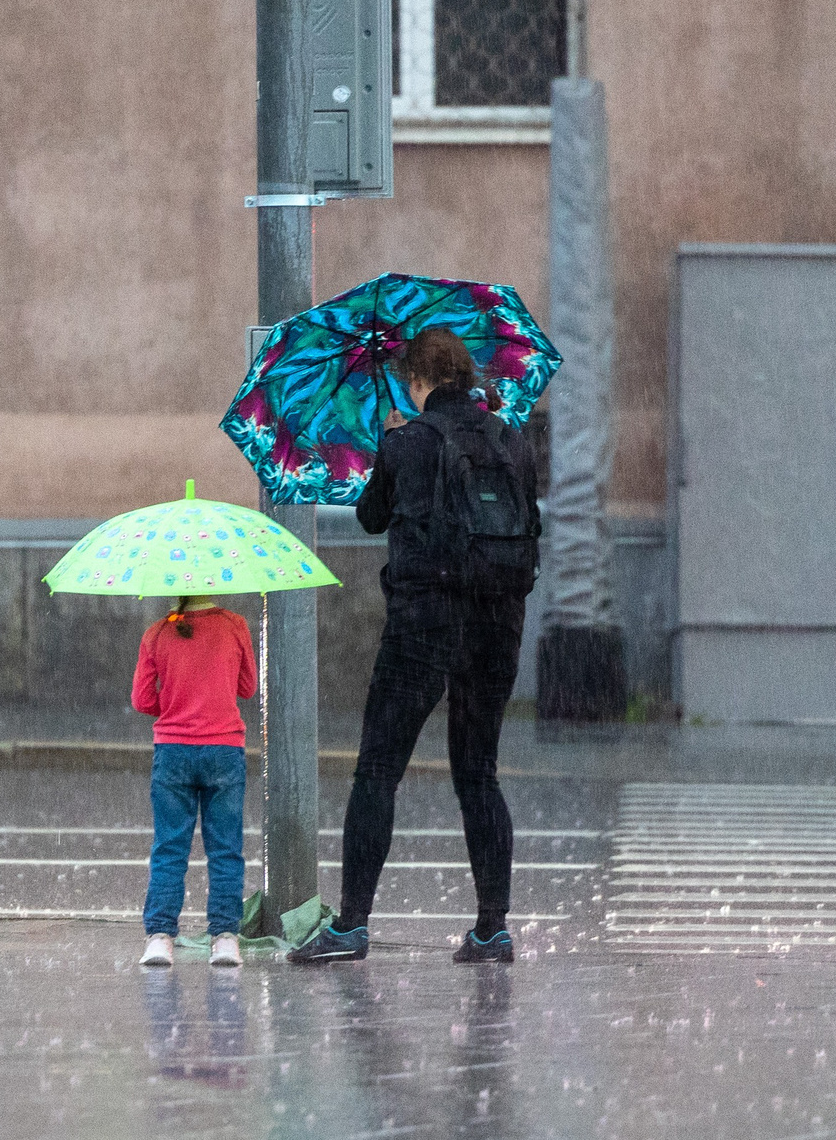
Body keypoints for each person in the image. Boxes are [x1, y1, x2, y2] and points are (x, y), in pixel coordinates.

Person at [290, 327, 540, 966]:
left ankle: (351, 926)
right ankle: (492, 930)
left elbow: (373, 515)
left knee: (379, 768)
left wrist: (393, 445)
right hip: (497, 622)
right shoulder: (511, 440)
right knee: (477, 771)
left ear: (418, 381)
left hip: (424, 622)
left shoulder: (407, 440)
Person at [131, 594, 258, 968]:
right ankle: (225, 939)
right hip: (223, 749)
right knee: (225, 849)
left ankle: (159, 938)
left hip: (172, 750)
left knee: (169, 848)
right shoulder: (235, 626)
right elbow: (247, 688)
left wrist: (171, 704)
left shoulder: (157, 633)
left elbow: (141, 699)